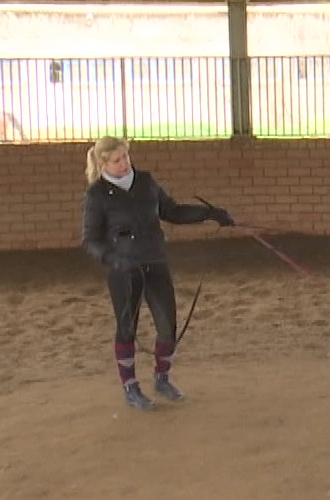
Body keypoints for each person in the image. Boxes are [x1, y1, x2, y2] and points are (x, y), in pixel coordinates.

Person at [80, 136, 235, 410]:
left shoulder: (146, 183)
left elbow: (172, 211)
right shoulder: (98, 196)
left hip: (155, 260)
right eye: (117, 160)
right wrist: (112, 258)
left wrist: (209, 213)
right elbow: (91, 239)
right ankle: (130, 387)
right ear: (104, 163)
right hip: (124, 269)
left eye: (126, 157)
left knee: (167, 325)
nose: (125, 164)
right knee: (127, 327)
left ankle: (162, 377)